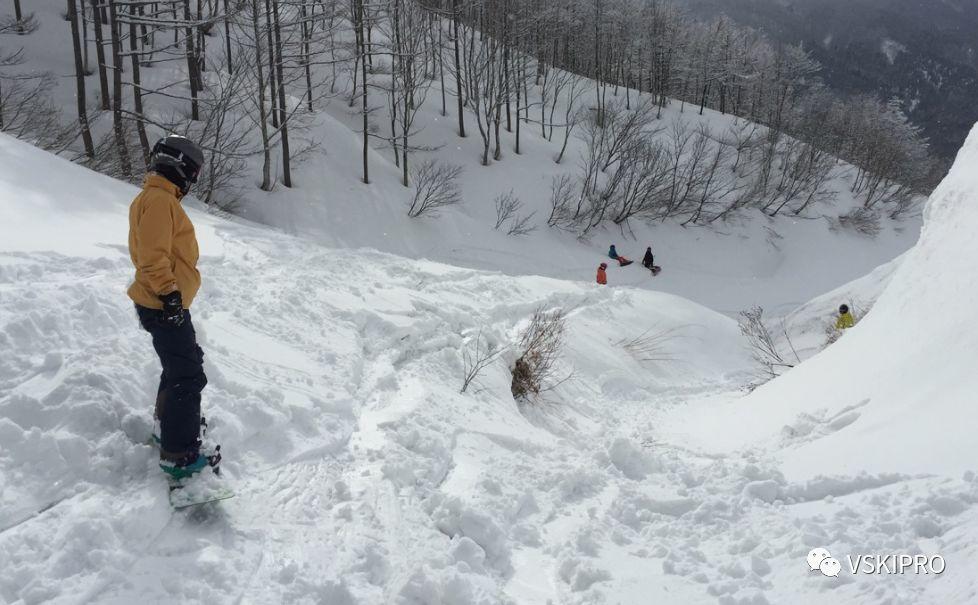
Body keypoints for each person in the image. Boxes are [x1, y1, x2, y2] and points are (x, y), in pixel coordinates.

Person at [128, 135, 215, 481]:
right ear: (180, 168)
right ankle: (178, 454)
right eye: (192, 175)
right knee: (187, 374)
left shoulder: (154, 198)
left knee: (181, 364)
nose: (191, 183)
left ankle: (169, 427)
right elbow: (152, 256)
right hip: (164, 302)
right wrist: (171, 295)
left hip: (164, 301)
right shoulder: (160, 201)